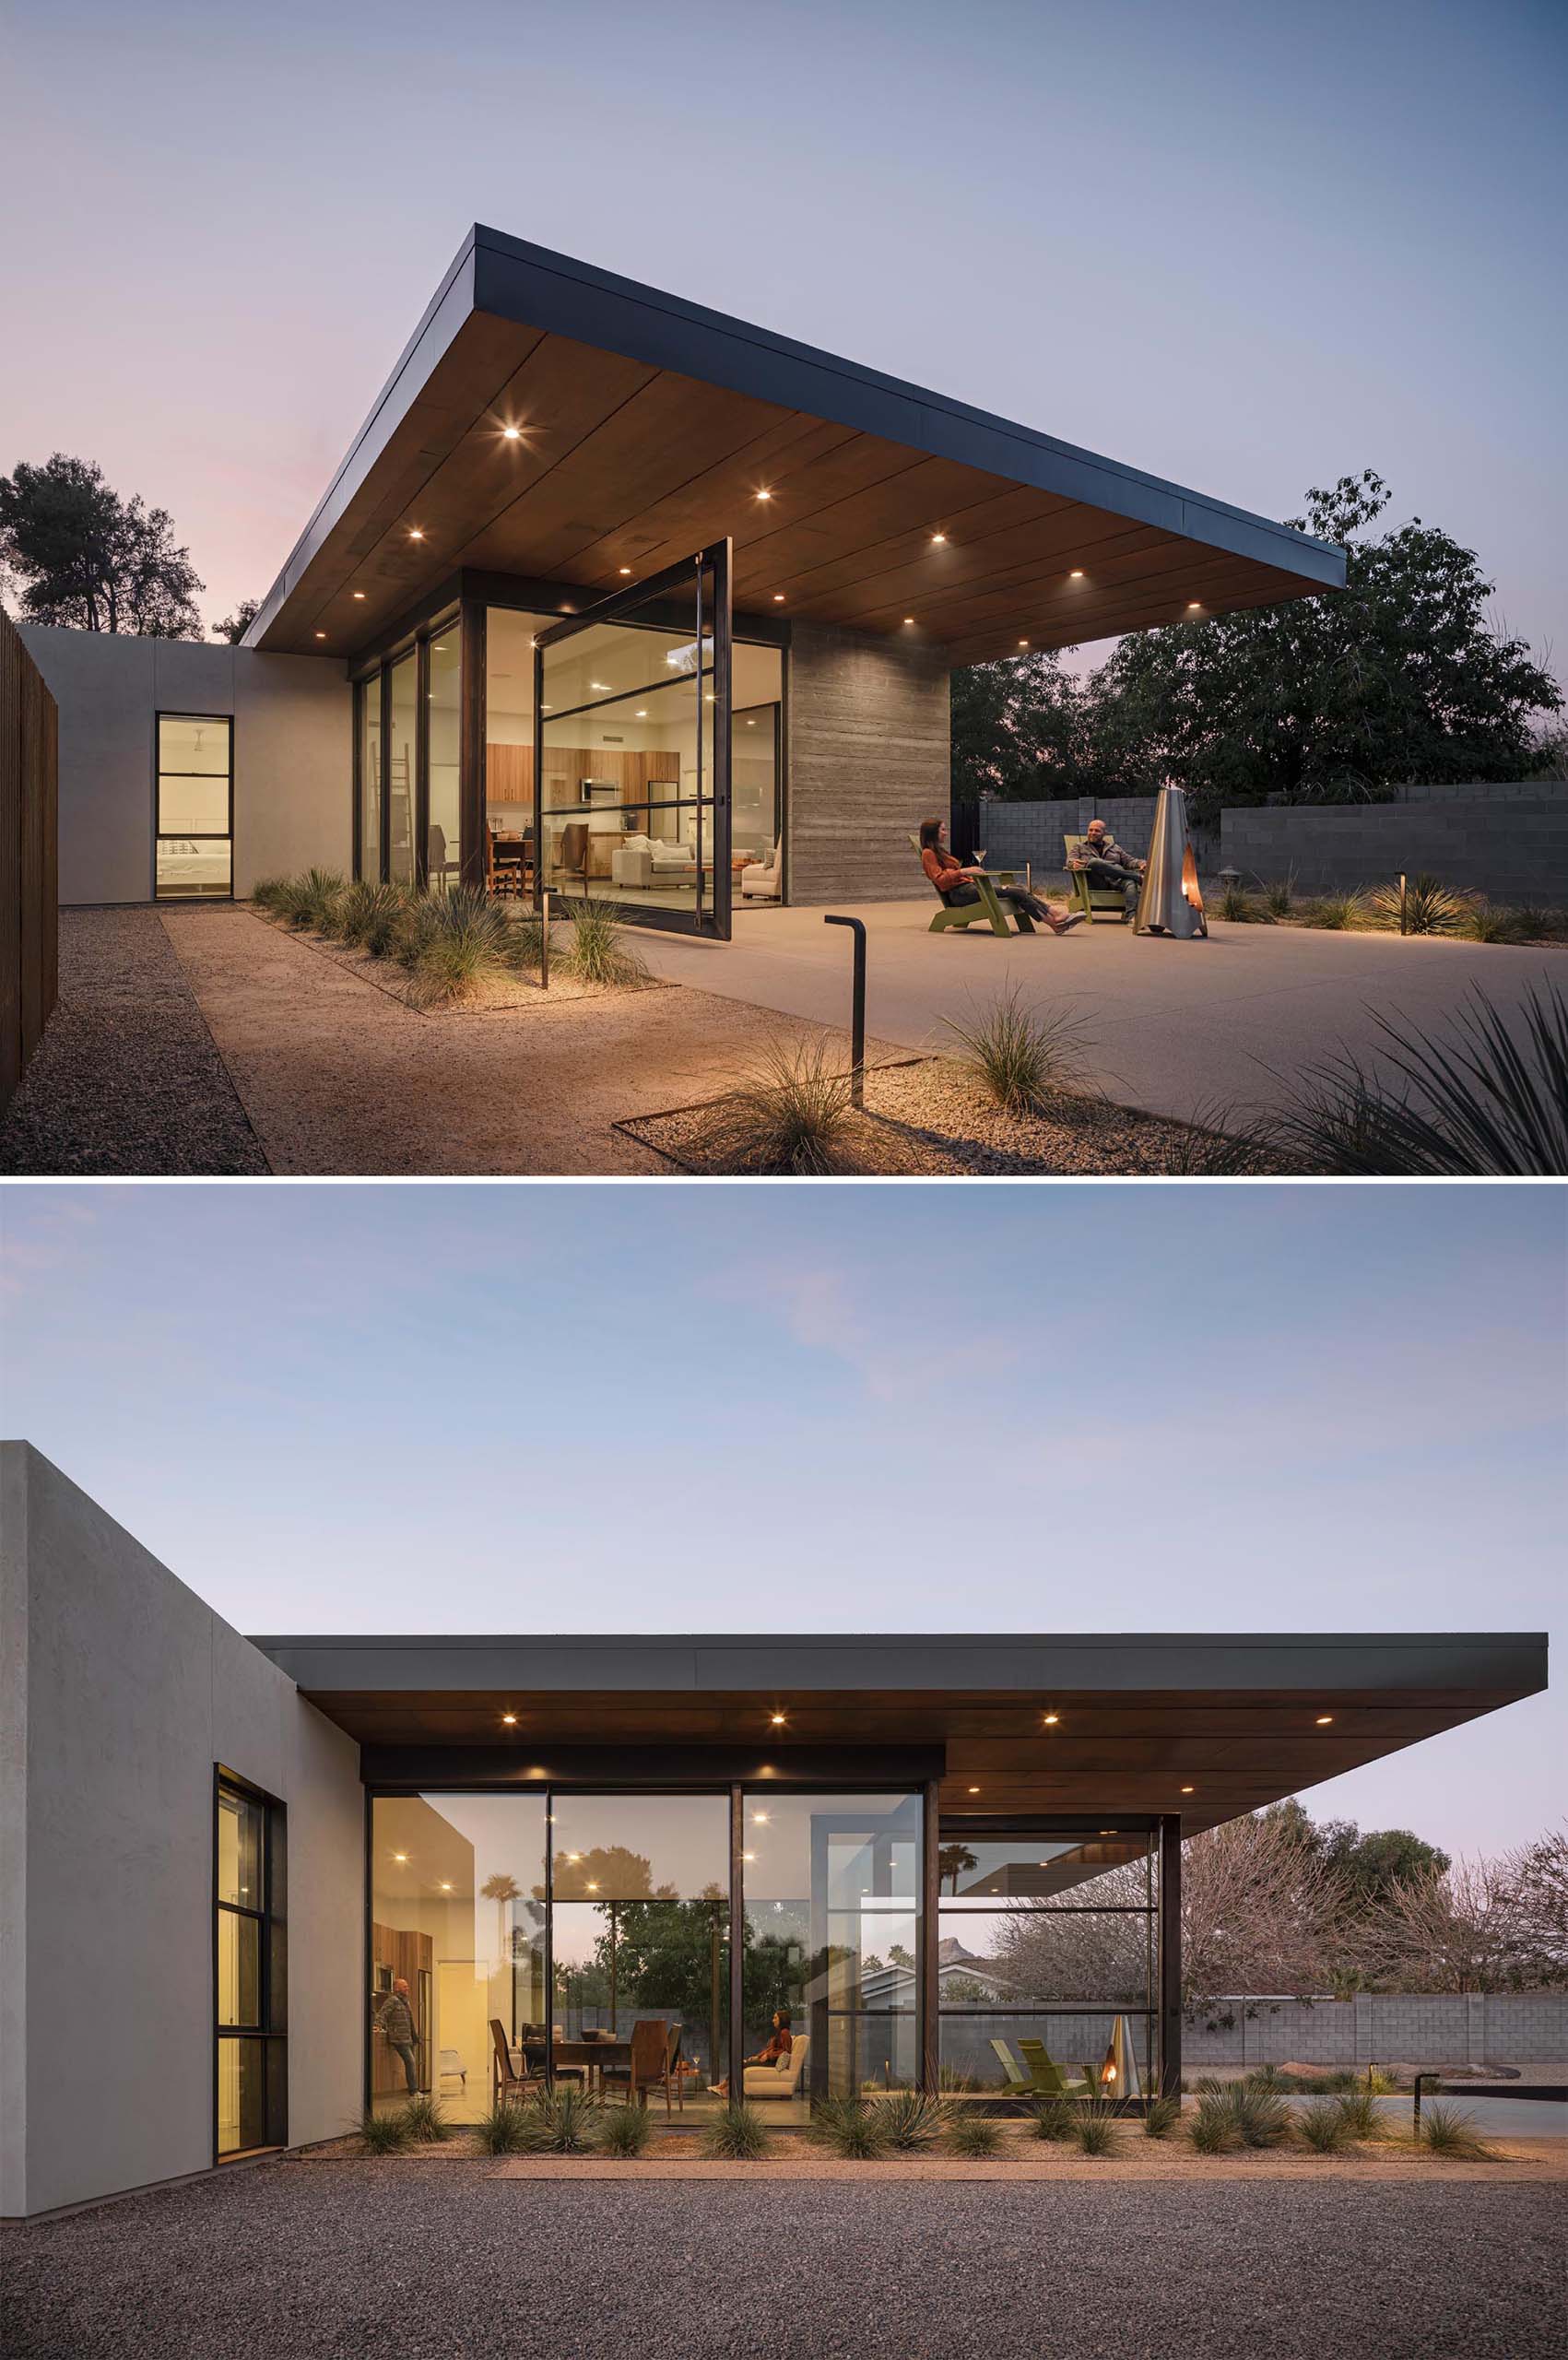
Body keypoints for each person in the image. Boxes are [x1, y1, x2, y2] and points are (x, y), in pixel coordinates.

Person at [918, 819, 1081, 935]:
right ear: (933, 833)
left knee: (1018, 888)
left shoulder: (940, 851)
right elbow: (939, 879)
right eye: (943, 830)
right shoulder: (928, 853)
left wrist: (966, 873)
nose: (946, 833)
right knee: (1016, 892)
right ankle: (1054, 923)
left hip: (968, 889)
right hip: (960, 893)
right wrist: (964, 871)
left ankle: (1054, 913)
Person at [1068, 818, 1145, 916]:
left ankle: (1131, 917)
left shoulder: (1114, 848)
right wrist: (1072, 864)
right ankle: (1137, 877)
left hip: (1115, 882)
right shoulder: (1079, 847)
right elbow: (1070, 860)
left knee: (1130, 882)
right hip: (1095, 883)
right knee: (1094, 862)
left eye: (1097, 830)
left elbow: (1130, 861)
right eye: (1090, 830)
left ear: (1104, 833)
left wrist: (1142, 863)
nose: (1093, 833)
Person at [711, 2009, 793, 2096]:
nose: (773, 2020)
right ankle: (725, 2090)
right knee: (742, 2064)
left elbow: (786, 2051)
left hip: (772, 2062)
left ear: (782, 2019)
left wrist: (768, 2056)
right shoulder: (780, 2033)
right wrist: (757, 2057)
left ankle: (722, 2087)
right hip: (770, 2060)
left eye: (775, 2018)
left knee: (740, 2064)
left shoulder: (785, 2033)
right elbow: (771, 2048)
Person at [379, 1976, 420, 2096]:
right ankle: (413, 2091)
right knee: (411, 2062)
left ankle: (414, 2090)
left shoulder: (405, 2001)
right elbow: (383, 2014)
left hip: (408, 2038)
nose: (407, 1988)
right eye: (404, 1986)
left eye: (407, 1986)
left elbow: (410, 2020)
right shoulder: (392, 2000)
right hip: (399, 2038)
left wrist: (415, 2037)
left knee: (412, 2063)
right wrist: (377, 2025)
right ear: (397, 1988)